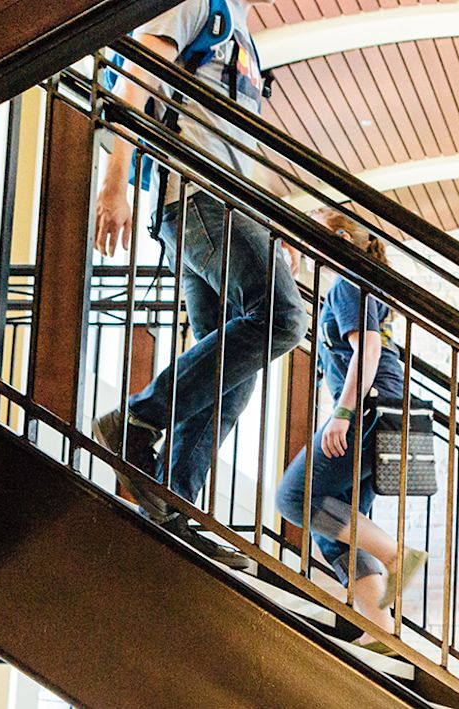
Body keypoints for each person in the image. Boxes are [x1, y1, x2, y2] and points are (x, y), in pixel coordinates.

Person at [90, 0, 305, 571]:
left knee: (231, 375)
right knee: (282, 322)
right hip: (201, 196)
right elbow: (138, 76)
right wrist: (115, 184)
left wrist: (271, 222)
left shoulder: (244, 32)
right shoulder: (191, 1)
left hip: (227, 202)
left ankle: (171, 510)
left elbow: (243, 141)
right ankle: (137, 418)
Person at [274, 212, 429, 645]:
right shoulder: (356, 285)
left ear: (341, 238)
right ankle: (382, 631)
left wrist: (342, 414)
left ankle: (398, 555)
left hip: (370, 409)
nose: (304, 243)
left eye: (310, 234)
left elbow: (370, 349)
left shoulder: (349, 283)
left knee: (294, 498)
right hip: (388, 409)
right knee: (337, 530)